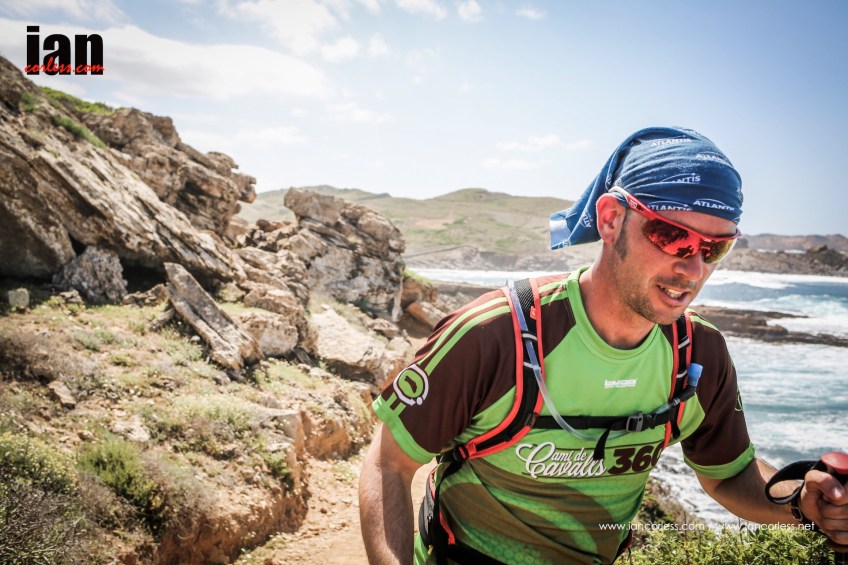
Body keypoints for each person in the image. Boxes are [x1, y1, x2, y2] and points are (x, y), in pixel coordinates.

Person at [358, 126, 848, 564]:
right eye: (673, 237)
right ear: (611, 219)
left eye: (714, 247)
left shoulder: (699, 353)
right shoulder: (494, 335)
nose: (693, 269)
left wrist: (802, 501)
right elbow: (388, 464)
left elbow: (729, 475)